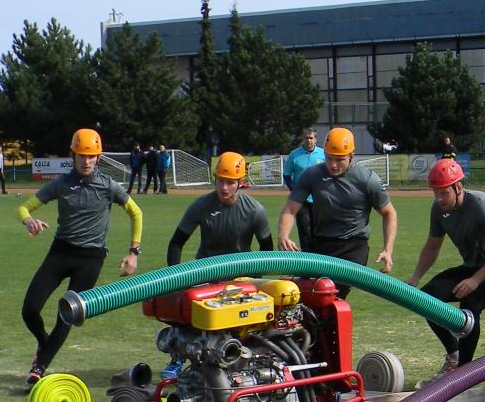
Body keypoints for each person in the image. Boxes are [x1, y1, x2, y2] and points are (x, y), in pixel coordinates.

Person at [16, 128, 142, 385]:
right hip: (60, 252)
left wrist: (133, 252)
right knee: (29, 310)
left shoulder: (108, 186)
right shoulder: (61, 184)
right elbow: (24, 207)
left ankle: (40, 367)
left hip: (91, 260)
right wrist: (29, 221)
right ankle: (44, 343)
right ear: (72, 155)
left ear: (99, 157)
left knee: (67, 313)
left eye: (92, 156)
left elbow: (136, 213)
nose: (87, 161)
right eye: (82, 155)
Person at [405, 158, 485, 374]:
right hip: (473, 266)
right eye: (435, 193)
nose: (439, 199)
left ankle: (463, 374)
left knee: (470, 304)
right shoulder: (438, 209)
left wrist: (475, 280)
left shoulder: (481, 204)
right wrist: (415, 277)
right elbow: (432, 245)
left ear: (458, 187)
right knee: (427, 298)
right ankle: (454, 355)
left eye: (443, 192)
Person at [277, 126, 398, 297]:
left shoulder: (367, 180)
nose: (333, 165)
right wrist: (283, 236)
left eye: (340, 159)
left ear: (352, 155)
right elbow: (290, 208)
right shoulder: (312, 175)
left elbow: (389, 213)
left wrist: (388, 250)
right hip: (320, 245)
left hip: (353, 247)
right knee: (303, 296)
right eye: (329, 158)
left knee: (329, 293)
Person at [167, 152, 271, 263]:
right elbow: (176, 243)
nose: (224, 188)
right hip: (207, 273)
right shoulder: (201, 206)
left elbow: (267, 249)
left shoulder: (255, 210)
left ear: (240, 182)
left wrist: (255, 276)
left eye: (230, 182)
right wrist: (177, 277)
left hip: (241, 275)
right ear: (215, 178)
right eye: (220, 180)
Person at [284, 128, 325, 248]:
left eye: (311, 138)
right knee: (304, 230)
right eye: (306, 138)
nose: (308, 140)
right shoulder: (294, 155)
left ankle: (320, 257)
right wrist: (295, 191)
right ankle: (307, 258)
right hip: (301, 201)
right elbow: (287, 175)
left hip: (319, 199)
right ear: (303, 139)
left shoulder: (323, 154)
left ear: (315, 139)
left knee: (319, 229)